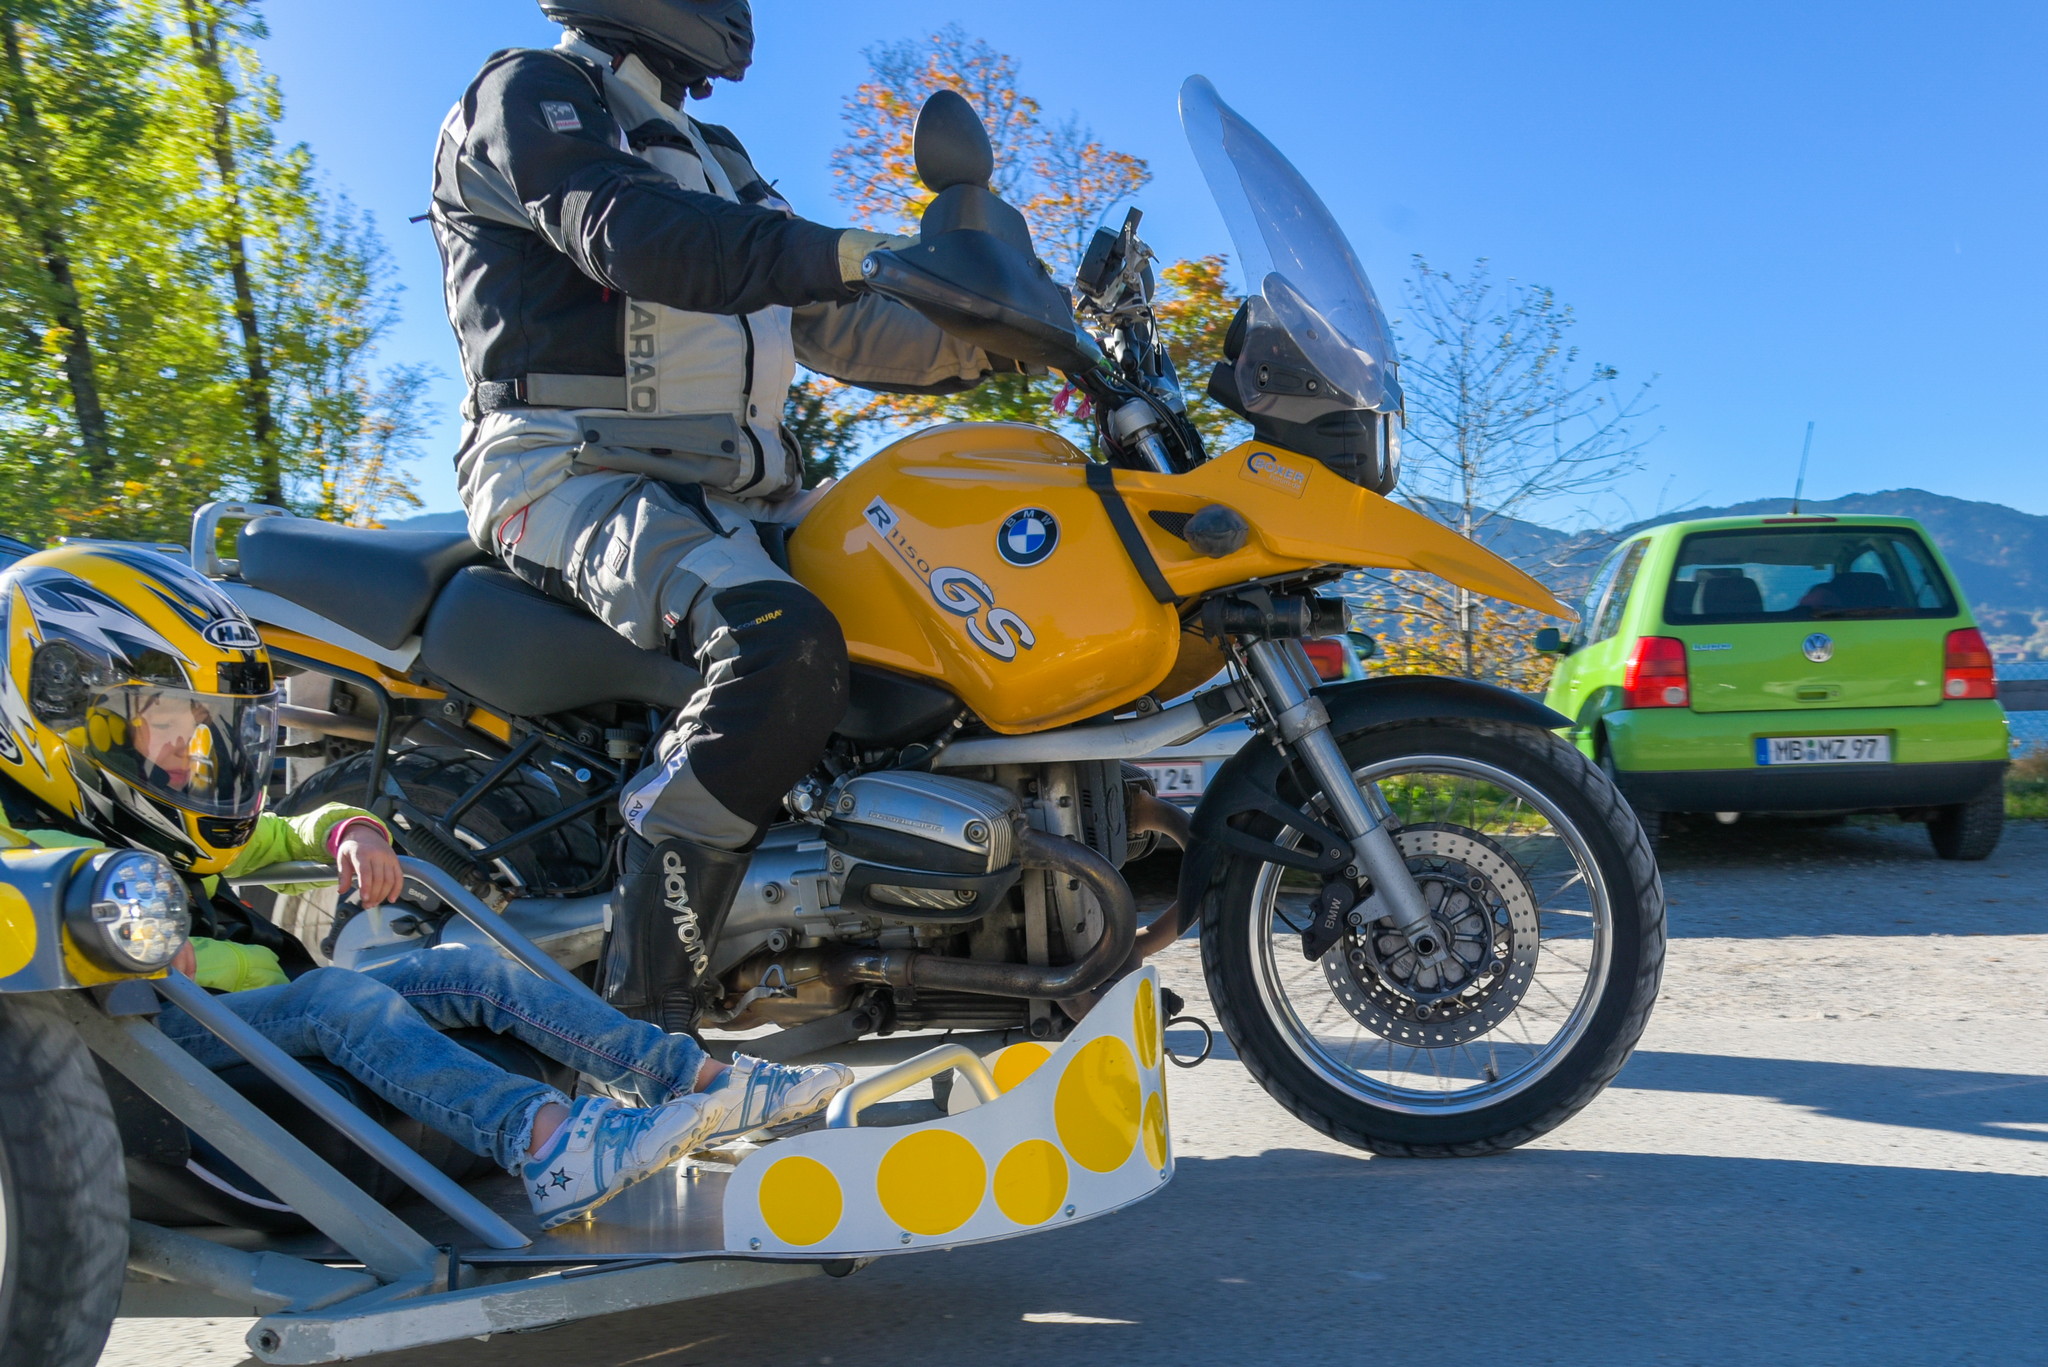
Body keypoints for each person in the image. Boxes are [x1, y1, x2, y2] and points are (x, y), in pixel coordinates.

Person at [429, 0, 1009, 1032]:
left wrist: (998, 329)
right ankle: (640, 1022)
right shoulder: (531, 92)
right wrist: (850, 248)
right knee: (778, 644)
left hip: (740, 489)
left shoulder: (713, 152)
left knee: (957, 594)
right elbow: (635, 236)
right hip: (571, 471)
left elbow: (836, 319)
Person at [0, 546, 850, 1227]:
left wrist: (350, 829)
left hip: (257, 1014)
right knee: (341, 997)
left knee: (468, 969)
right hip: (156, 1041)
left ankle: (697, 1079)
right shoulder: (24, 852)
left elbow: (278, 833)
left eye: (205, 730)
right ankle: (550, 1145)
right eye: (168, 726)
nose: (195, 756)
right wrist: (123, 941)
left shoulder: (148, 821)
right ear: (65, 712)